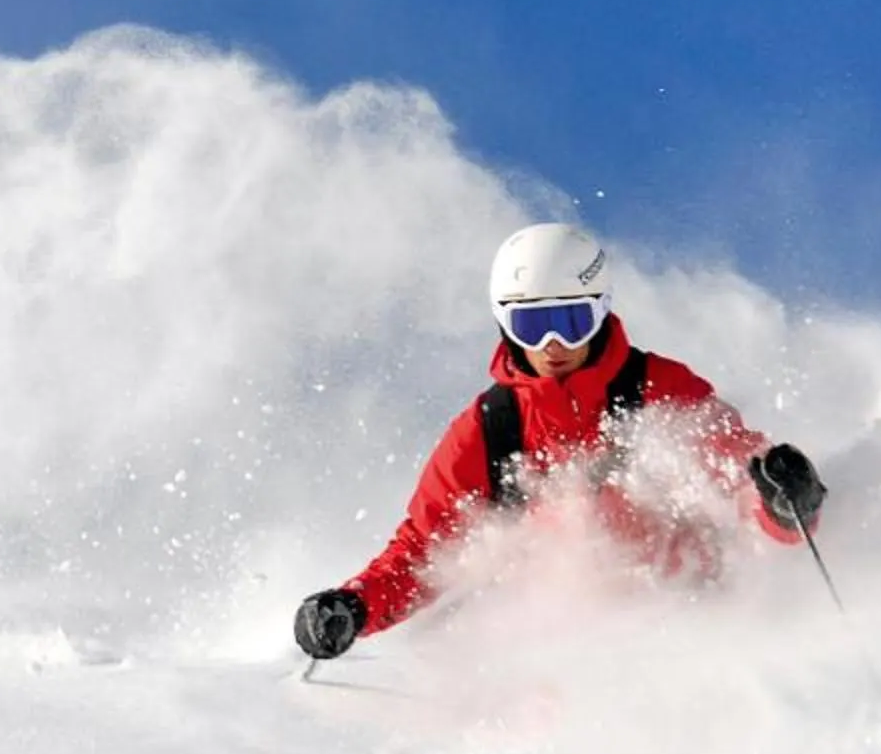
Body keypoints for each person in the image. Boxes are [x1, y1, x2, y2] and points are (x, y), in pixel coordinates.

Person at [294, 223, 827, 661]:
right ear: (504, 323)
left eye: (572, 321)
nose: (553, 345)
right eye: (532, 324)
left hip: (690, 623)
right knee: (446, 648)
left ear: (601, 311)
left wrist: (784, 505)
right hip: (563, 648)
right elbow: (424, 553)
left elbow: (738, 477)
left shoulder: (655, 390)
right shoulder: (490, 430)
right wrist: (355, 607)